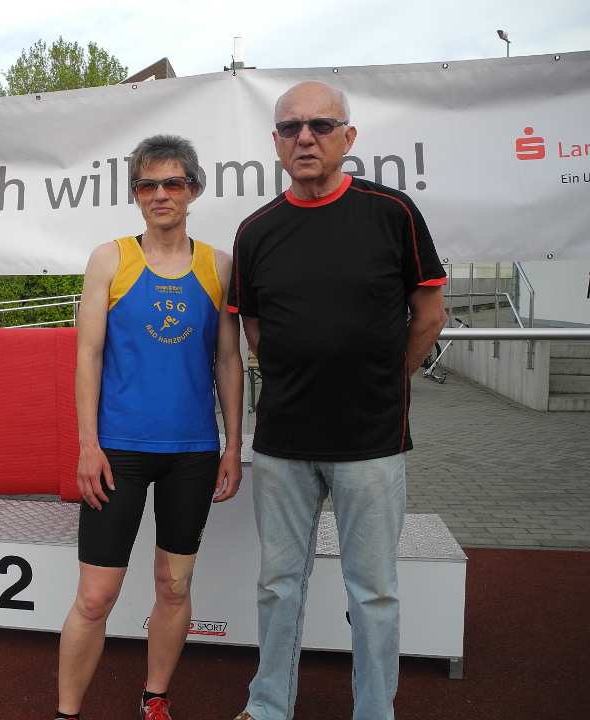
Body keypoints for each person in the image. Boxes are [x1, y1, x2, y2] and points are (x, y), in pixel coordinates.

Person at [228, 81, 447, 720]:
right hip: (283, 443)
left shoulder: (393, 212)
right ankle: (269, 706)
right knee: (278, 585)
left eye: (321, 125)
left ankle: (375, 711)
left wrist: (384, 378)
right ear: (275, 142)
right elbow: (255, 329)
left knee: (373, 591)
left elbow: (430, 314)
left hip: (370, 441)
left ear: (347, 138)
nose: (305, 137)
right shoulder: (256, 231)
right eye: (290, 128)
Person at [55, 135, 243, 720]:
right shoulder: (110, 259)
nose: (160, 194)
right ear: (136, 194)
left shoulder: (219, 265)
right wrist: (88, 445)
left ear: (193, 190)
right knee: (96, 595)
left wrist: (233, 445)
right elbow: (88, 356)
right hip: (118, 451)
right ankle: (67, 712)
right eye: (147, 185)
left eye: (173, 183)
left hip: (192, 451)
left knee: (174, 586)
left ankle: (154, 696)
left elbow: (228, 360)